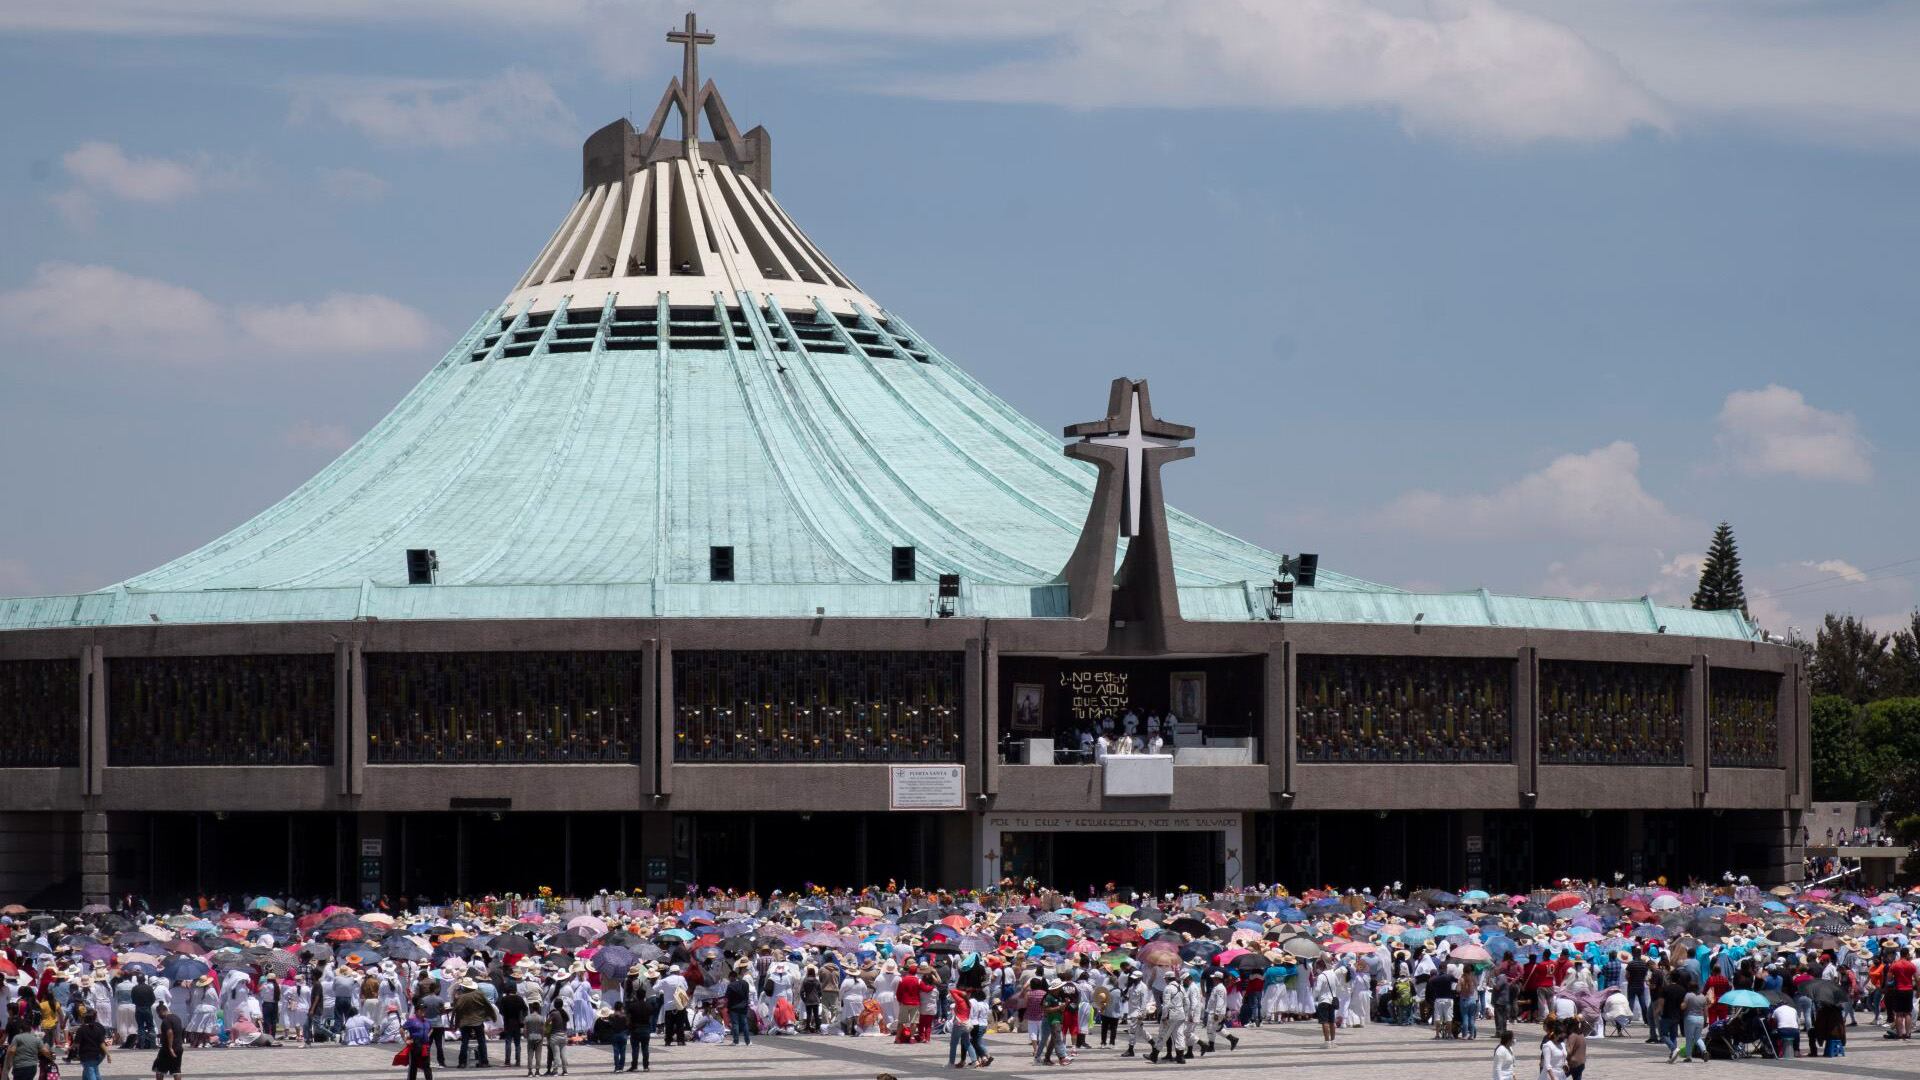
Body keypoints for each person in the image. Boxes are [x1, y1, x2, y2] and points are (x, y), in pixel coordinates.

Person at [453, 975, 492, 1068]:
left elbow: (457, 1010)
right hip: (478, 1021)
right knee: (481, 1041)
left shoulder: (461, 997)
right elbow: (488, 1005)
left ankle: (462, 1063)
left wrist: (456, 1023)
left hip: (465, 1022)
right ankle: (484, 1061)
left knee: (464, 1042)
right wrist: (490, 1015)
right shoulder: (479, 994)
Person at [71, 1004, 112, 1080]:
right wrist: (108, 1054)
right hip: (98, 1055)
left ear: (84, 1019)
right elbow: (102, 1043)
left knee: (91, 1072)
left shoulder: (81, 1029)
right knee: (94, 1071)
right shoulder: (99, 1028)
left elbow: (76, 1044)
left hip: (87, 1055)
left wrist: (70, 1049)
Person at [153, 1001, 187, 1080]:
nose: (159, 1016)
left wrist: (170, 1047)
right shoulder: (177, 1018)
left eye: (158, 1013)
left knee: (159, 1069)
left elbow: (170, 1032)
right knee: (176, 1070)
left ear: (162, 1011)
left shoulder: (166, 1020)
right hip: (178, 1048)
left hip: (168, 1049)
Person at [403, 1004, 435, 1080]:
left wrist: (428, 1035)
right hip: (415, 1044)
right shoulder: (412, 1021)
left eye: (424, 1010)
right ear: (417, 1011)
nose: (424, 1011)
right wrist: (406, 1040)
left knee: (426, 1065)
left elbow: (431, 1028)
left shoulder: (427, 1021)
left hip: (425, 1045)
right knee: (414, 1065)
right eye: (422, 1010)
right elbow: (402, 1029)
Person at [1313, 960, 1340, 1048]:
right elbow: (1337, 984)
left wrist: (1314, 996)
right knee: (1332, 1022)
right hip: (1332, 1000)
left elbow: (1317, 990)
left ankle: (1327, 1042)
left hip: (1323, 1000)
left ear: (1319, 967)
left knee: (1324, 1022)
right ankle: (1333, 1041)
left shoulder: (1321, 976)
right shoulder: (1333, 974)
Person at [724, 965, 752, 1046]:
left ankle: (736, 1041)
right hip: (743, 1006)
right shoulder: (745, 983)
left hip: (734, 1007)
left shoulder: (731, 986)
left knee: (735, 1024)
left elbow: (727, 997)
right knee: (744, 1024)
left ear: (731, 977)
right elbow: (747, 994)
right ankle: (748, 1041)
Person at [543, 1002, 569, 1076]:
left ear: (555, 1005)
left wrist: (547, 1028)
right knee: (563, 1054)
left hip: (555, 1036)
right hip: (564, 1035)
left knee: (556, 1055)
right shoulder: (564, 1014)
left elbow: (547, 1022)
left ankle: (555, 1071)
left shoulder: (554, 1013)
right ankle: (565, 1071)